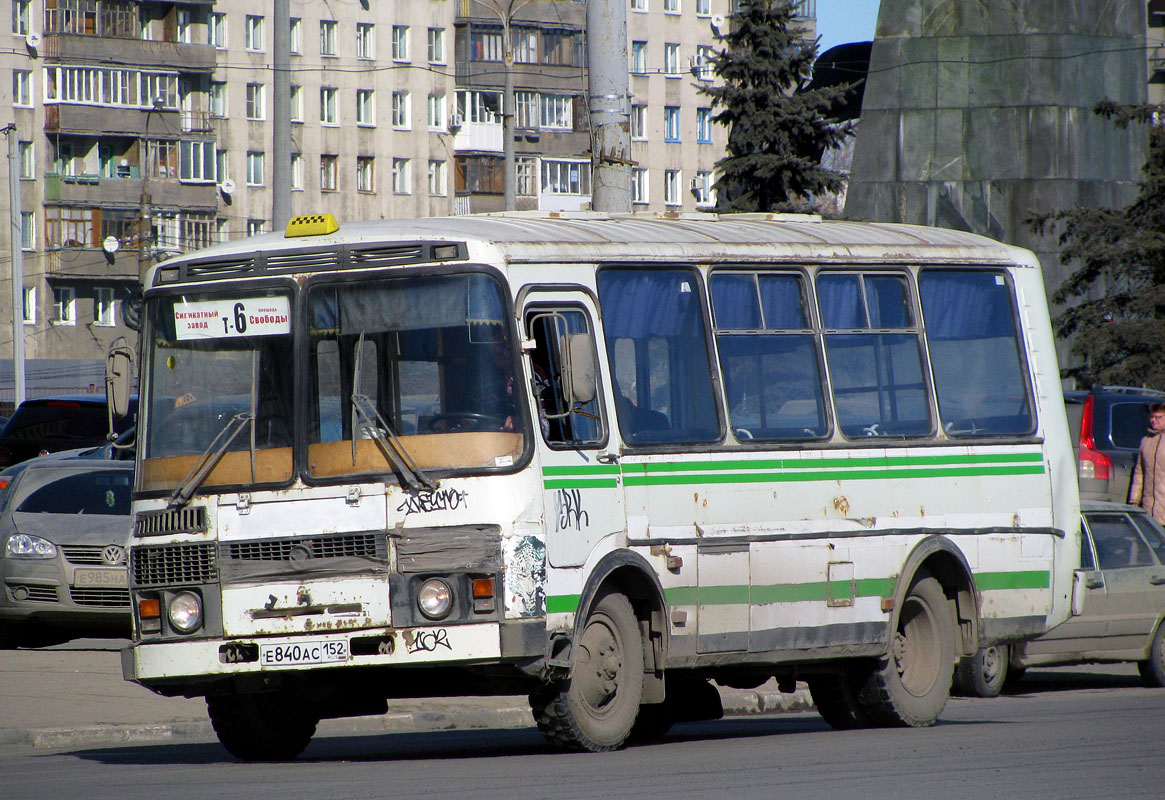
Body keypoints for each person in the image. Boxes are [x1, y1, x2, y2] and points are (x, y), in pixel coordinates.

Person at [1129, 402, 1165, 524]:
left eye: (1158, 417)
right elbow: (1139, 473)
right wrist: (1134, 500)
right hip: (1149, 507)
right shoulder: (1146, 441)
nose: (1154, 420)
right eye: (1152, 417)